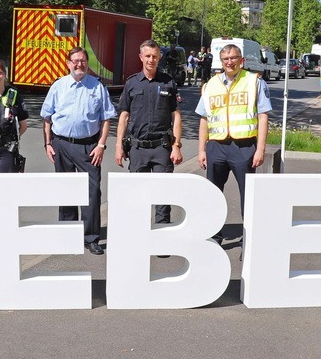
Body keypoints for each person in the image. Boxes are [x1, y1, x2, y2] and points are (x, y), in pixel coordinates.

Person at [41, 46, 117, 255]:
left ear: (87, 63)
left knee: (92, 193)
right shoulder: (58, 86)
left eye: (82, 61)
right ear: (68, 63)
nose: (79, 64)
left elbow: (106, 119)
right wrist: (47, 144)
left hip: (89, 146)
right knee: (65, 191)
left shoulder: (97, 87)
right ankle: (67, 235)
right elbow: (47, 118)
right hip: (62, 145)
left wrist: (101, 145)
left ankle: (91, 238)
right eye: (75, 61)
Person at [196, 44, 272, 245]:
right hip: (216, 146)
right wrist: (201, 149)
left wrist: (260, 149)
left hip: (244, 147)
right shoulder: (210, 85)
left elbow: (263, 116)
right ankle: (214, 237)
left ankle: (250, 240)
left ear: (241, 60)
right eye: (225, 59)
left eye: (233, 58)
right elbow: (204, 118)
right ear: (221, 62)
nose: (229, 62)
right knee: (213, 195)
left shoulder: (254, 81)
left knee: (248, 196)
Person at [115, 40, 183, 252]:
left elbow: (176, 116)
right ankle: (139, 240)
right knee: (138, 196)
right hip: (138, 148)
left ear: (159, 57)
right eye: (147, 56)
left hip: (162, 147)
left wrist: (177, 145)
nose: (151, 59)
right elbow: (124, 116)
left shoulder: (168, 82)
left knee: (163, 195)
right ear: (141, 57)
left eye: (154, 56)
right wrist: (118, 145)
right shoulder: (132, 83)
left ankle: (161, 243)